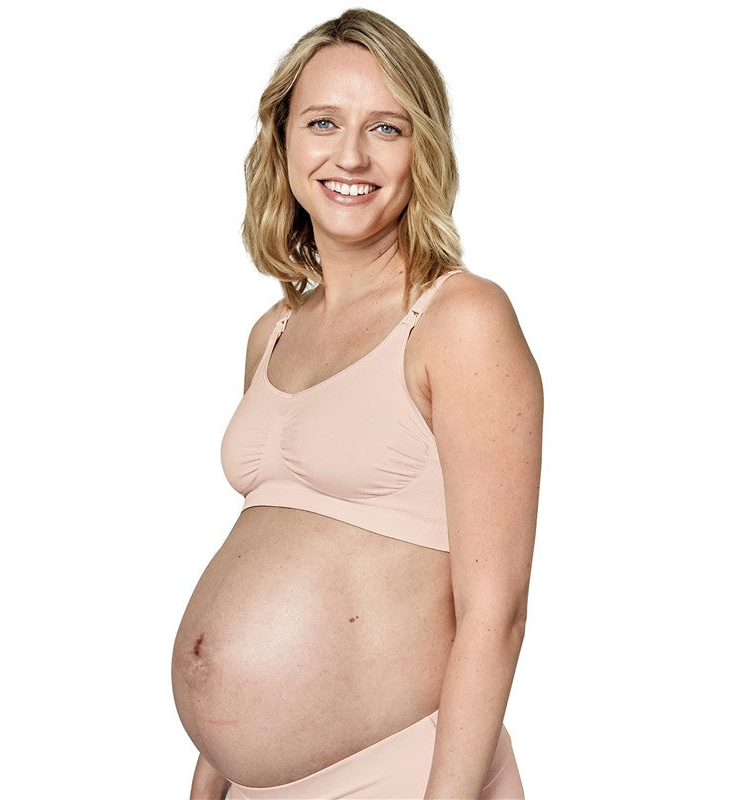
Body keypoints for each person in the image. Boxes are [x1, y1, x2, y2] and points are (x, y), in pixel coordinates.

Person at [171, 8, 543, 799]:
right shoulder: (274, 331)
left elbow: (496, 613)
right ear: (283, 141)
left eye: (385, 128)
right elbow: (264, 556)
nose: (350, 155)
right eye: (322, 123)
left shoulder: (459, 319)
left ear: (423, 149)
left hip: (397, 774)